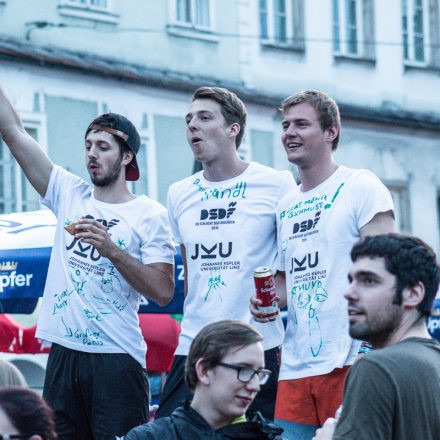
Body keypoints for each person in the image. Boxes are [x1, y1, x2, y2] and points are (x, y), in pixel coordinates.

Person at [0, 87, 175, 439]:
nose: (92, 154)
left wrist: (111, 249)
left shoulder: (149, 214)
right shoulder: (68, 192)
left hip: (116, 358)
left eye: (103, 147)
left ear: (127, 157)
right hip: (64, 354)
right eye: (88, 145)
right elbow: (14, 131)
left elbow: (162, 291)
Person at [251, 90, 395, 439]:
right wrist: (267, 301)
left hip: (350, 358)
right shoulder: (285, 205)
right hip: (296, 365)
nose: (290, 133)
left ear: (331, 132)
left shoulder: (360, 185)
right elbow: (288, 282)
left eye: (302, 124)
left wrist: (371, 349)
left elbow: (389, 269)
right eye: (285, 125)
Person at [156, 86, 296, 420]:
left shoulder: (277, 183)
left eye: (205, 117)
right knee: (167, 430)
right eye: (189, 119)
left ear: (233, 129)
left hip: (257, 346)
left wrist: (276, 299)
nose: (192, 125)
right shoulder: (179, 193)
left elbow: (293, 270)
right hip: (195, 345)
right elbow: (191, 276)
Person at [313, 233, 440, 440]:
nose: (349, 292)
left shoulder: (375, 367)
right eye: (351, 281)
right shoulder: (434, 361)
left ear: (413, 293)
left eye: (369, 281)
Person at [125, 320, 285, 439]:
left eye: (258, 373)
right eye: (244, 370)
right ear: (204, 371)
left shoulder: (268, 436)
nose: (255, 386)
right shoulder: (149, 437)